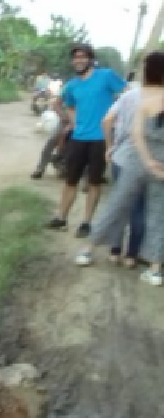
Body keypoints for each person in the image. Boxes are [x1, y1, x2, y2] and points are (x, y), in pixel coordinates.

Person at [74, 50, 164, 286]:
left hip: (134, 160)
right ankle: (153, 269)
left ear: (148, 70)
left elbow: (134, 134)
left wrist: (144, 160)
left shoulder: (135, 96)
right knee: (157, 215)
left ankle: (88, 250)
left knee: (116, 206)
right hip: (161, 165)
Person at [47, 43, 128, 238]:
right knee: (70, 180)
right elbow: (63, 103)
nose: (78, 60)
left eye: (82, 56)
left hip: (101, 138)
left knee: (94, 182)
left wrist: (118, 118)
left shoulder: (106, 75)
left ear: (91, 59)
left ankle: (86, 222)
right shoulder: (72, 85)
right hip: (78, 138)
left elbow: (127, 94)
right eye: (75, 57)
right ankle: (61, 218)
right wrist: (69, 120)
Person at [31, 95, 72, 179]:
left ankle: (62, 164)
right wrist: (63, 116)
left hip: (81, 122)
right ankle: (41, 168)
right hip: (66, 121)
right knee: (51, 143)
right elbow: (56, 104)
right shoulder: (70, 88)